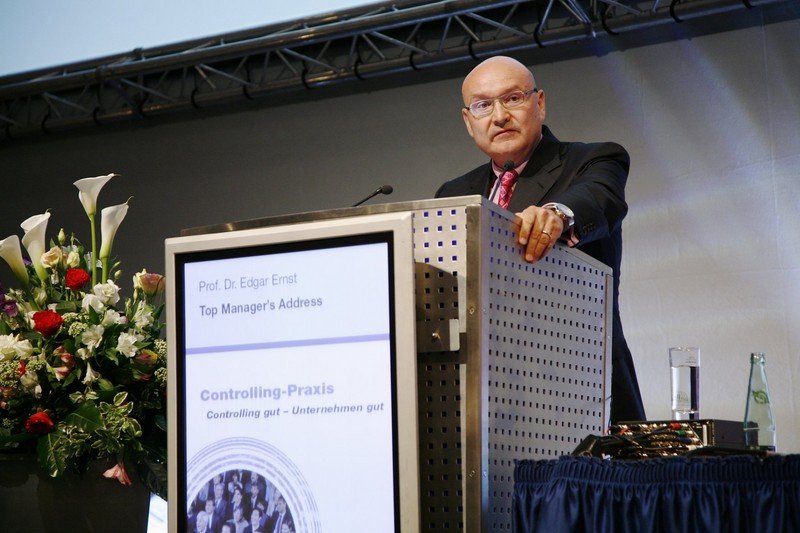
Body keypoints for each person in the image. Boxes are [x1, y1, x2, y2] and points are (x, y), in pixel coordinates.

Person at [436, 55, 645, 423]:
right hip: (485, 398)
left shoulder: (594, 160)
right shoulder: (453, 193)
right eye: (483, 105)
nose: (499, 116)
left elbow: (598, 198)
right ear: (469, 121)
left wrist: (557, 215)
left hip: (579, 388)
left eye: (513, 98)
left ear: (540, 103)